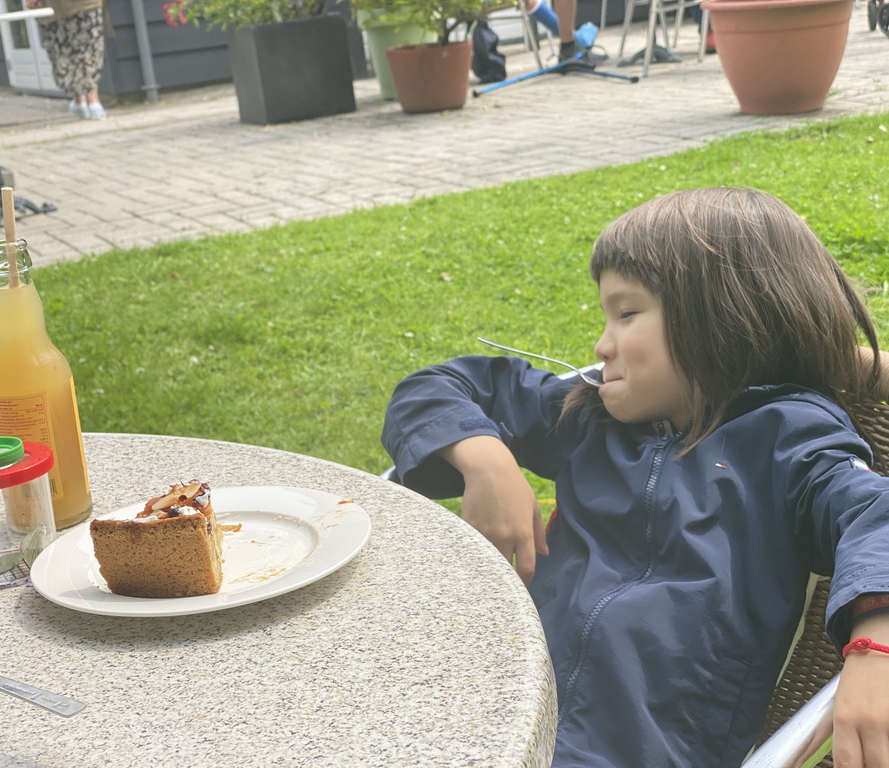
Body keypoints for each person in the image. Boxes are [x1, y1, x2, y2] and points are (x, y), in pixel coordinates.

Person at [381, 188, 889, 767]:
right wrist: (484, 458)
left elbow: (874, 516)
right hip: (489, 706)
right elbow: (433, 387)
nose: (601, 345)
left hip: (634, 749)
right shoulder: (589, 416)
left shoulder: (790, 440)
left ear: (721, 319)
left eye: (625, 314)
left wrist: (876, 645)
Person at [25, 0, 108, 119]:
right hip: (81, 6)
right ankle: (91, 101)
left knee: (64, 50)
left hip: (56, 9)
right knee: (89, 48)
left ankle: (83, 100)